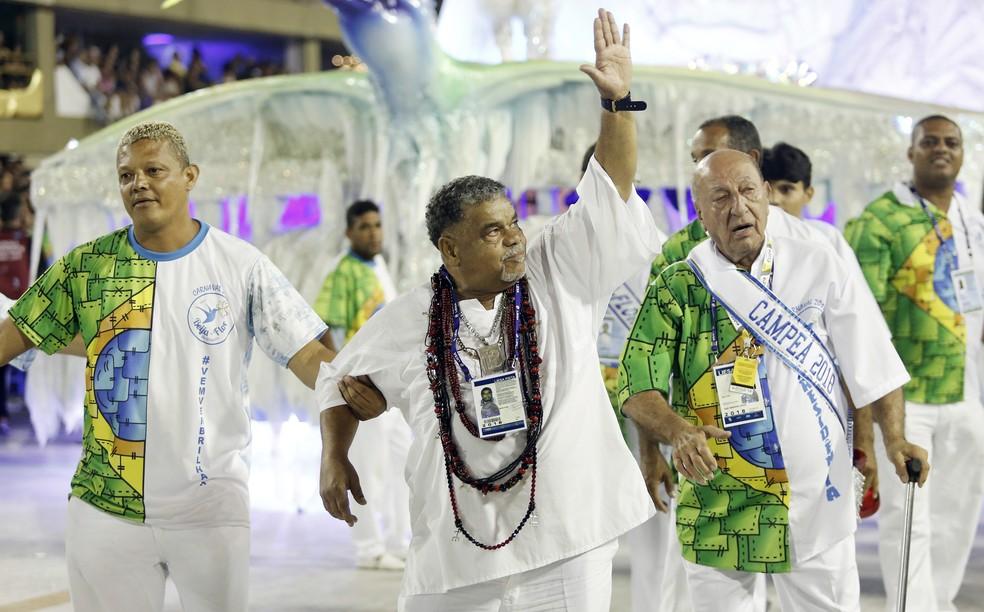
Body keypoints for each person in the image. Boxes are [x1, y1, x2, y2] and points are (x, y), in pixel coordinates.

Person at [317, 9, 659, 610]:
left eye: (514, 224)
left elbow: (611, 186)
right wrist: (335, 455)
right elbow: (336, 386)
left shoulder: (558, 268)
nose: (515, 238)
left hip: (567, 537)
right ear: (451, 248)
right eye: (494, 232)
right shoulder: (410, 317)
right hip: (458, 552)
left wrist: (617, 104)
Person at [0, 121, 382, 612]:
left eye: (153, 170)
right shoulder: (87, 267)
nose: (138, 184)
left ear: (189, 176)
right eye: (126, 176)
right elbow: (13, 336)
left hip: (210, 509)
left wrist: (345, 424)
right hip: (105, 509)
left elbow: (310, 357)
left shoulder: (241, 265)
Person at [619, 149, 929, 611]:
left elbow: (874, 361)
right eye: (720, 197)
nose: (738, 207)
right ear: (699, 212)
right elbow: (636, 385)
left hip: (815, 502)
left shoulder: (819, 264)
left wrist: (895, 439)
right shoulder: (677, 285)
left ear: (767, 195)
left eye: (747, 191)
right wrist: (677, 433)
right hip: (717, 507)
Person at [845, 114, 984, 612]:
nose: (941, 150)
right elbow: (859, 324)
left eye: (952, 142)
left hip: (967, 393)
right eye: (930, 142)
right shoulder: (879, 221)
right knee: (908, 523)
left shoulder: (972, 219)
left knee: (956, 518)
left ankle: (937, 605)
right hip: (904, 402)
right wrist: (865, 421)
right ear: (911, 152)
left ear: (963, 153)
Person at [313, 199, 411, 571]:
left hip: (387, 386)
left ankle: (400, 540)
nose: (374, 233)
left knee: (402, 459)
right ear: (349, 232)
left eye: (377, 225)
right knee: (367, 466)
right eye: (365, 226)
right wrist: (341, 378)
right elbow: (324, 325)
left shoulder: (378, 265)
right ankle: (369, 547)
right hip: (358, 388)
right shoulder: (343, 272)